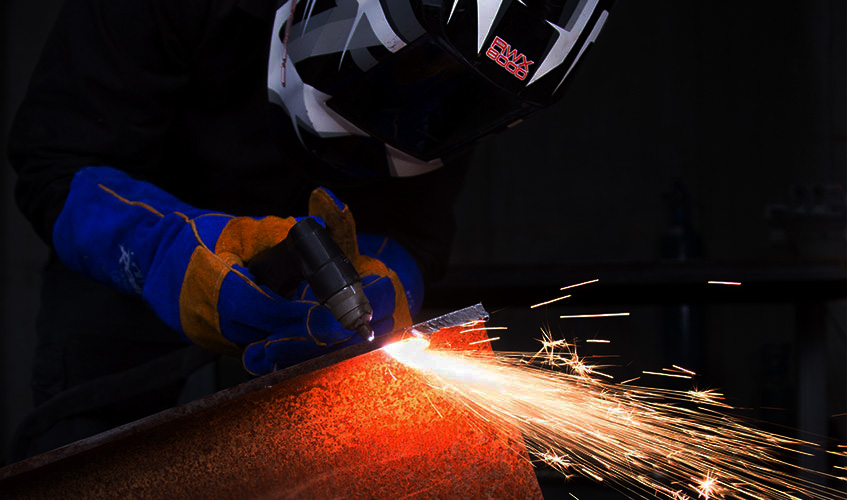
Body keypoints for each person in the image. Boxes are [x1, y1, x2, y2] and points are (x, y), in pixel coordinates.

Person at [7, 0, 612, 460]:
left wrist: (383, 274)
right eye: (412, 73)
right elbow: (57, 162)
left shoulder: (466, 70)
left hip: (311, 310)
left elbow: (414, 225)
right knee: (91, 461)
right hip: (126, 276)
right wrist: (168, 254)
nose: (425, 111)